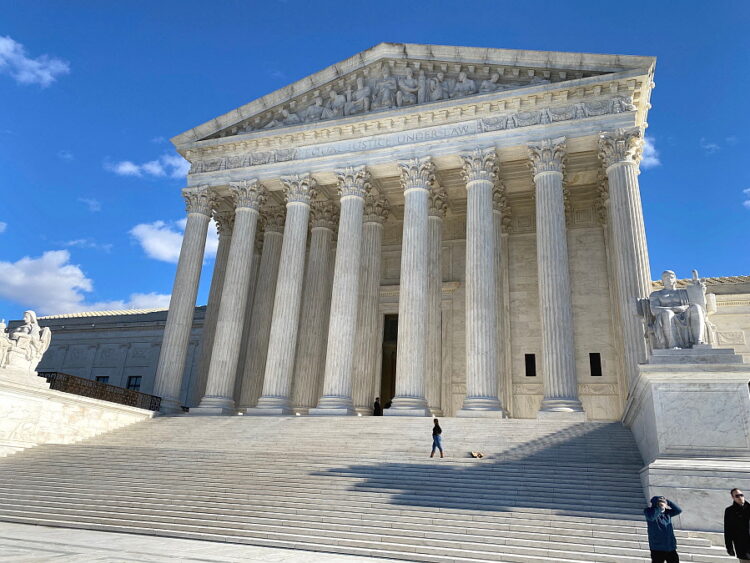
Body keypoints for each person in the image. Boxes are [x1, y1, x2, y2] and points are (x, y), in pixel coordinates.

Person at [644, 496, 682, 563]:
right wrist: (659, 508)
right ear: (656, 503)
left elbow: (679, 510)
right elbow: (651, 517)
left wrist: (668, 502)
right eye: (660, 502)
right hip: (657, 548)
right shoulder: (648, 511)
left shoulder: (667, 513)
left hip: (670, 547)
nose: (663, 504)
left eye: (663, 503)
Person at [725, 488, 750, 561]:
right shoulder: (730, 511)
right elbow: (728, 530)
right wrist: (729, 547)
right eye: (737, 496)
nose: (740, 497)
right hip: (742, 547)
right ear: (733, 497)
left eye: (741, 495)